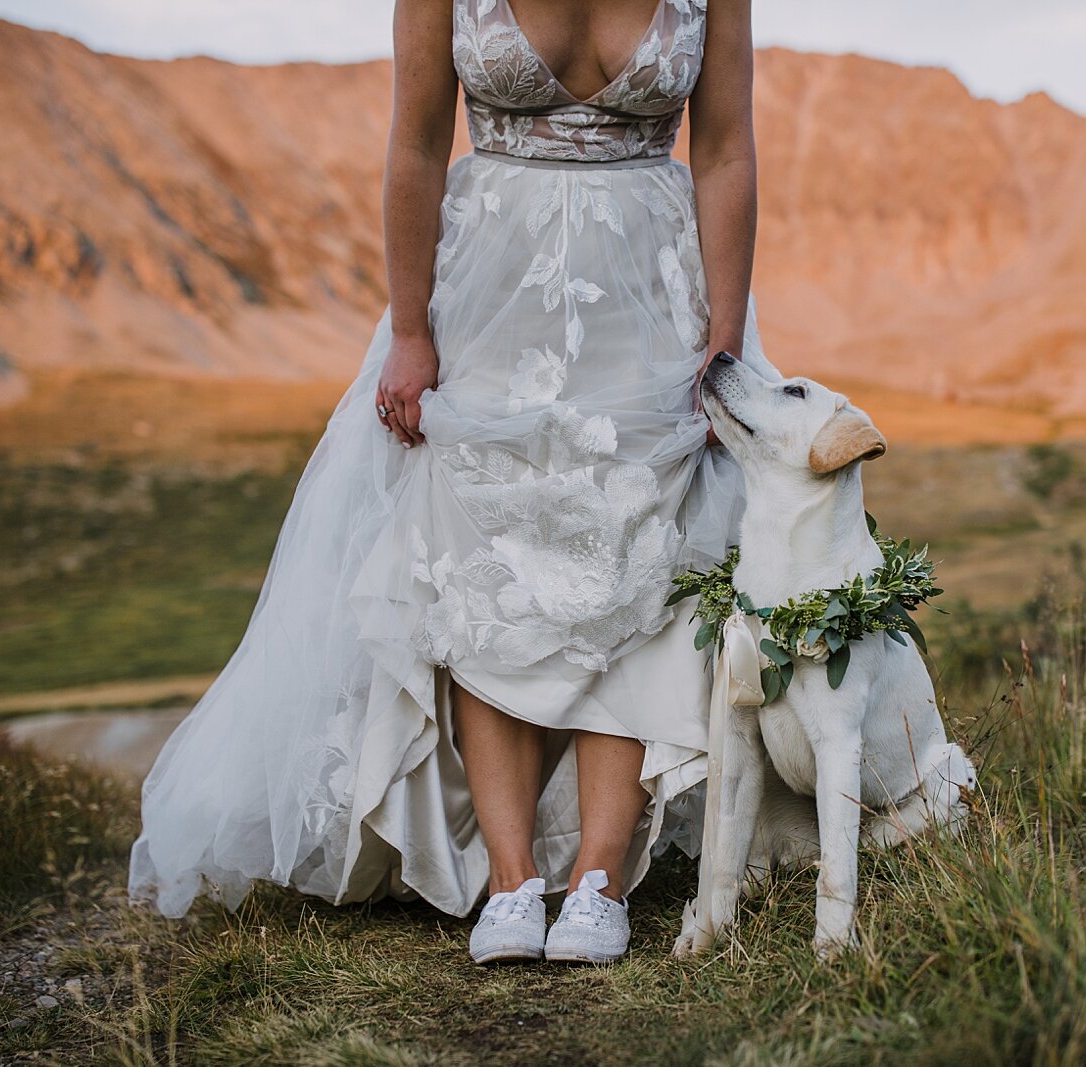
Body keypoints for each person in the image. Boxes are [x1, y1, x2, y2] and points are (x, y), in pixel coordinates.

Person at [129, 0, 773, 965]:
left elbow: (724, 151)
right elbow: (417, 143)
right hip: (488, 290)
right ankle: (512, 880)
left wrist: (726, 332)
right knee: (482, 560)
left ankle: (600, 876)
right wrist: (410, 328)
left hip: (652, 288)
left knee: (646, 560)